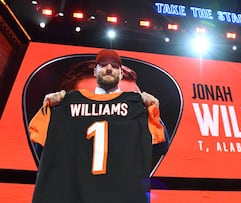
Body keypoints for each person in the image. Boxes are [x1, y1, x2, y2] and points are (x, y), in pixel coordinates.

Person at [29, 49, 166, 203]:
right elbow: (40, 149)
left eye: (114, 66)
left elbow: (160, 146)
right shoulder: (62, 104)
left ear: (120, 73)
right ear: (95, 71)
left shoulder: (138, 105)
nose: (109, 68)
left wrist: (153, 112)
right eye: (103, 65)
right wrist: (51, 110)